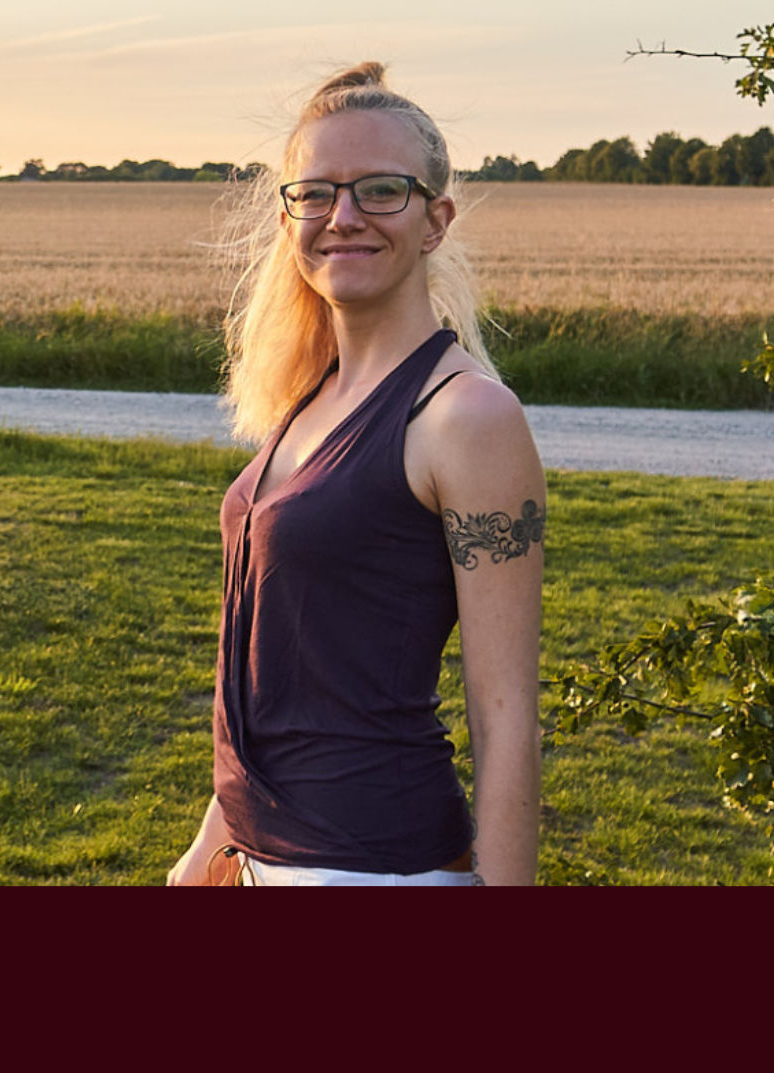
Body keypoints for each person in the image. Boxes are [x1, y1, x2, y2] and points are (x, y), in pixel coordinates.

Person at [167, 63, 544, 886]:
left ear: (436, 220)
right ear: (287, 216)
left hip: (375, 871)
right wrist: (213, 842)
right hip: (267, 856)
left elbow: (506, 709)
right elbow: (282, 664)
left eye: (380, 191)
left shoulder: (466, 417)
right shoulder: (310, 395)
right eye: (316, 193)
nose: (343, 217)